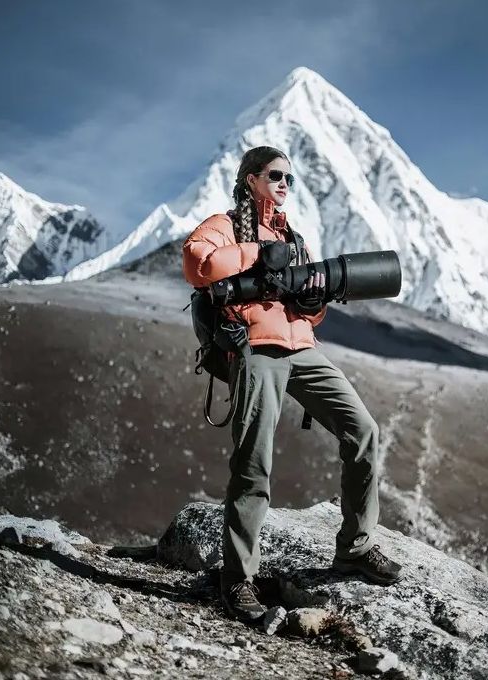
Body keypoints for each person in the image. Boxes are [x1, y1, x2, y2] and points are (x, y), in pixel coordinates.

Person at [182, 146, 405, 622]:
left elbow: (306, 311)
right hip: (255, 349)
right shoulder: (225, 225)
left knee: (363, 430)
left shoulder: (295, 237)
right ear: (250, 179)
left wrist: (313, 297)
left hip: (302, 348)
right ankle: (238, 579)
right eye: (276, 176)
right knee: (253, 461)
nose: (285, 185)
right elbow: (197, 263)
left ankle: (356, 548)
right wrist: (258, 253)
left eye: (290, 179)